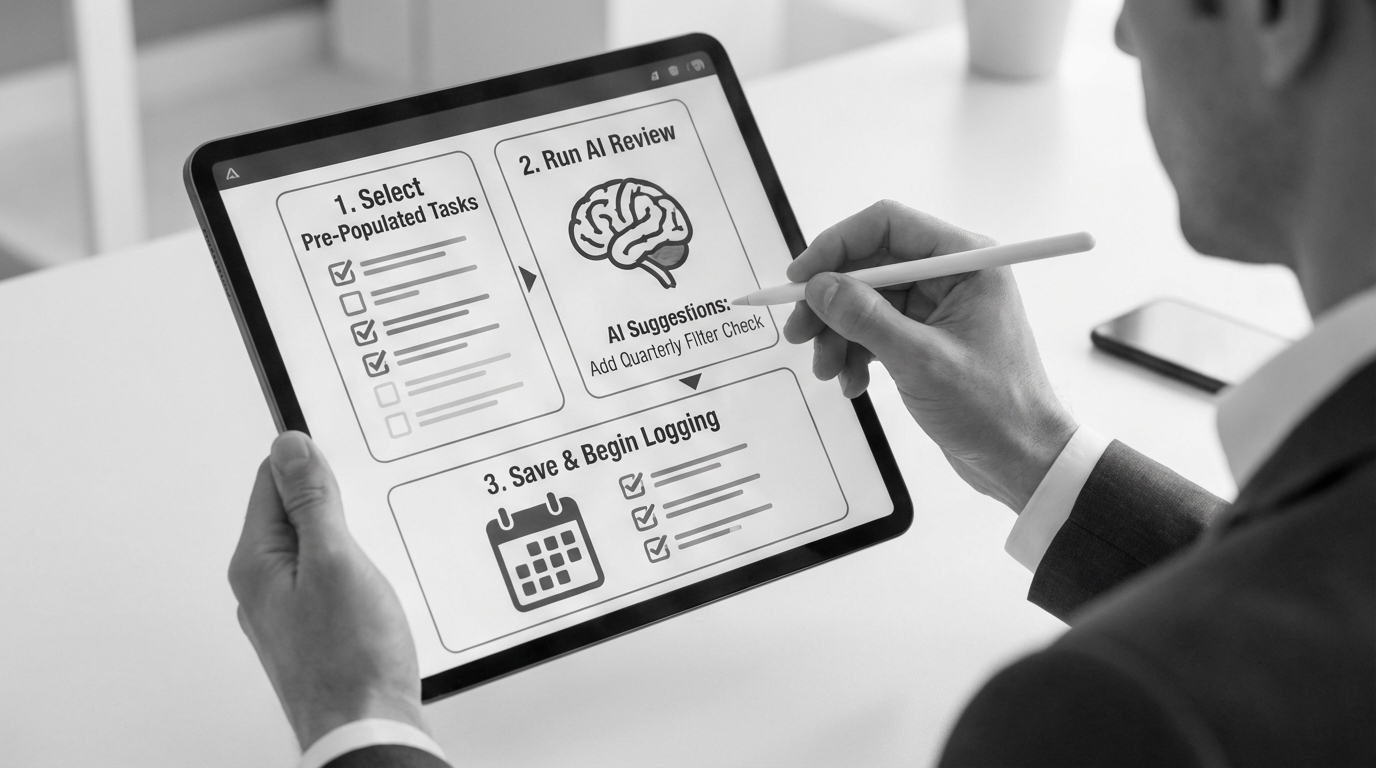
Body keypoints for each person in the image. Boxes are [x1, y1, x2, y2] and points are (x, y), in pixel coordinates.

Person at [229, 1, 1375, 765]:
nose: (1120, 30)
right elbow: (1302, 620)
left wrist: (359, 720)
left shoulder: (1113, 718)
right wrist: (1034, 450)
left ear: (1274, 15)